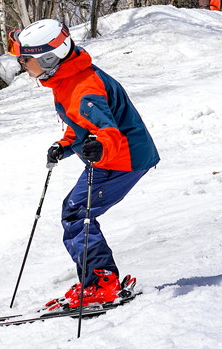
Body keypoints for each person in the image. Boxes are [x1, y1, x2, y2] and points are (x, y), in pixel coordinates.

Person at [8, 19, 160, 308]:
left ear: (48, 58)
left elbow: (108, 134)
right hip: (115, 157)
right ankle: (98, 280)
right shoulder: (66, 79)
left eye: (26, 59)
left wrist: (98, 146)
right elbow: (81, 124)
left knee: (78, 214)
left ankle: (102, 283)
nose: (22, 64)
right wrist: (64, 145)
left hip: (122, 159)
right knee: (76, 212)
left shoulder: (83, 88)